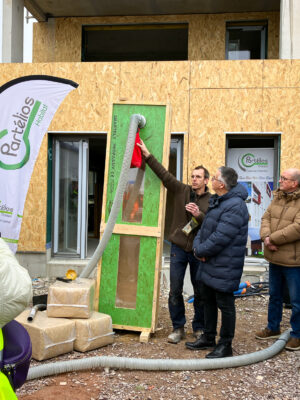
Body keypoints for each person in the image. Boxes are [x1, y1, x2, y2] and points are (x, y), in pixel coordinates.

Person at [137, 140, 211, 343]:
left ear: (206, 180)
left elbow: (212, 225)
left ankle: (199, 328)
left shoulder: (211, 201)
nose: (194, 180)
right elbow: (164, 175)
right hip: (178, 248)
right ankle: (178, 328)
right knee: (175, 289)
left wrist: (200, 215)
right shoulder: (181, 190)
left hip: (198, 250)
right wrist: (147, 155)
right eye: (193, 176)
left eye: (198, 177)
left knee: (200, 291)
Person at [185, 167, 248, 358]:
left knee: (225, 305)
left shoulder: (235, 205)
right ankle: (208, 337)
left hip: (224, 265)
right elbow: (204, 229)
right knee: (208, 301)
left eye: (213, 178)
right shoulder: (219, 201)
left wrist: (201, 251)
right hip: (209, 262)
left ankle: (225, 345)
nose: (211, 180)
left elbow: (221, 237)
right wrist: (197, 248)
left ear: (221, 184)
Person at [255, 168, 300, 351]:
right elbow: (265, 218)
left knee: (297, 302)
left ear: (294, 183)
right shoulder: (278, 197)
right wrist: (266, 237)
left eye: (284, 178)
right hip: (274, 258)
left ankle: (297, 335)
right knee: (274, 296)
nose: (280, 181)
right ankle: (273, 327)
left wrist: (272, 239)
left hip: (293, 262)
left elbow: (297, 227)